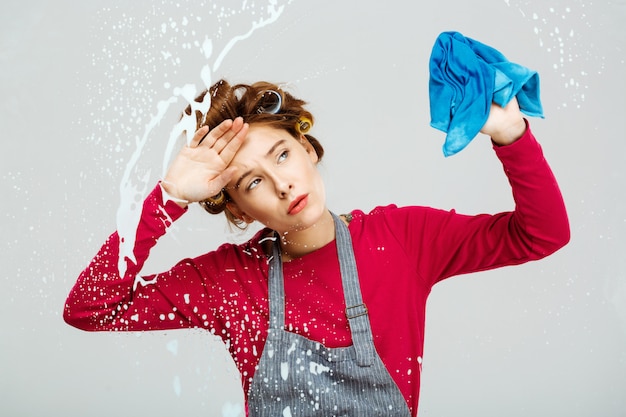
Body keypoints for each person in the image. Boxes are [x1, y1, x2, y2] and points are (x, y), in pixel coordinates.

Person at [64, 79, 570, 416]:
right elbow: (89, 308)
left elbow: (542, 233)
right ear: (239, 210)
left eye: (282, 154)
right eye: (252, 183)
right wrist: (167, 200)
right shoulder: (226, 281)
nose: (283, 184)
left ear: (307, 149)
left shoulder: (401, 241)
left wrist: (511, 134)